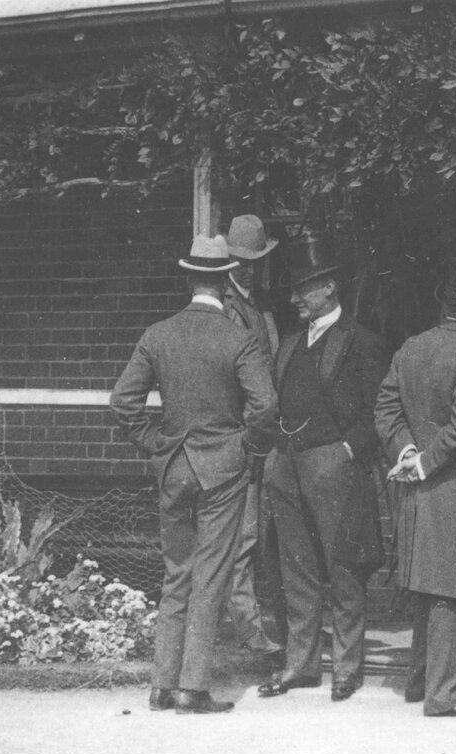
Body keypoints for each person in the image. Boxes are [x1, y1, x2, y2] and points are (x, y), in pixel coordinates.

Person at [110, 233, 277, 714]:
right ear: (226, 280)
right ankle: (193, 688)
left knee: (175, 575)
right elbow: (265, 405)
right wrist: (245, 446)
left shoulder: (158, 334)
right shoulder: (239, 337)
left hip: (173, 467)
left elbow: (123, 403)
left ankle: (162, 685)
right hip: (222, 468)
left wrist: (155, 445)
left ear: (189, 278)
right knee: (211, 576)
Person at [375, 246, 456, 717]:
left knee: (430, 589)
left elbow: (385, 409)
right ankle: (446, 692)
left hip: (421, 490)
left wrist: (408, 453)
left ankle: (420, 682)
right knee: (455, 590)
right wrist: (427, 460)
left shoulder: (411, 346)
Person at [258, 229, 388, 703]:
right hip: (286, 465)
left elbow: (379, 413)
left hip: (334, 467)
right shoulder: (290, 344)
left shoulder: (361, 342)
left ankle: (347, 668)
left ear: (329, 286)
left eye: (304, 289)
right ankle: (301, 666)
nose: (295, 299)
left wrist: (347, 453)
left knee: (344, 566)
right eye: (294, 290)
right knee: (296, 569)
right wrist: (275, 453)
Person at [221, 214, 285, 664]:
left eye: (255, 261)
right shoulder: (226, 307)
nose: (248, 268)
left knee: (260, 534)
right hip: (240, 435)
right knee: (242, 536)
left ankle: (260, 621)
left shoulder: (262, 306)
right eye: (241, 261)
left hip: (267, 434)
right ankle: (247, 628)